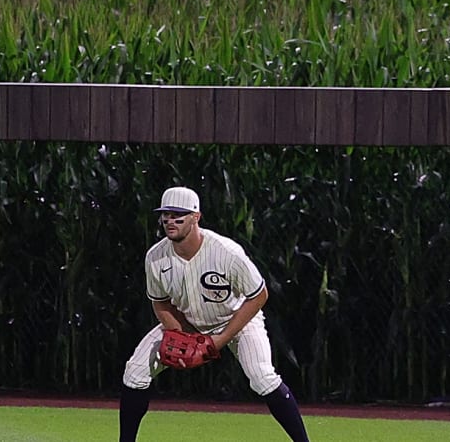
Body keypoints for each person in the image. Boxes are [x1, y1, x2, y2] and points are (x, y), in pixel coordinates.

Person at [119, 186, 310, 442]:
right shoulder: (156, 257)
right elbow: (161, 302)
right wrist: (181, 334)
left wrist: (219, 341)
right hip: (190, 322)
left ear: (196, 217)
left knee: (262, 377)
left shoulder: (225, 252)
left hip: (237, 321)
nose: (169, 221)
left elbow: (259, 294)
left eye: (178, 215)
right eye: (165, 215)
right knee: (135, 372)